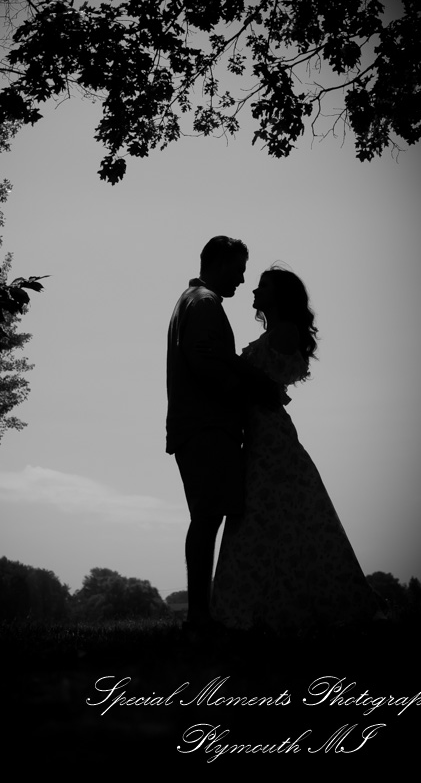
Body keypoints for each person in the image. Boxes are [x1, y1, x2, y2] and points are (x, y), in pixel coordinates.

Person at [212, 265, 380, 634]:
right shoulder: (275, 332)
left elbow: (268, 383)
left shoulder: (284, 332)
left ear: (281, 296)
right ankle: (263, 606)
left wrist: (234, 368)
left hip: (270, 436)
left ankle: (272, 606)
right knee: (265, 516)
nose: (254, 291)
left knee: (267, 514)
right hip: (258, 434)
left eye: (263, 286)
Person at [166, 236, 279, 635]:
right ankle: (198, 615)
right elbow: (206, 360)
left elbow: (220, 358)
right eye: (237, 269)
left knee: (208, 517)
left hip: (200, 425)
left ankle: (205, 610)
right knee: (207, 518)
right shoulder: (204, 303)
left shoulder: (196, 301)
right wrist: (245, 395)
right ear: (215, 264)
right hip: (205, 426)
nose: (242, 278)